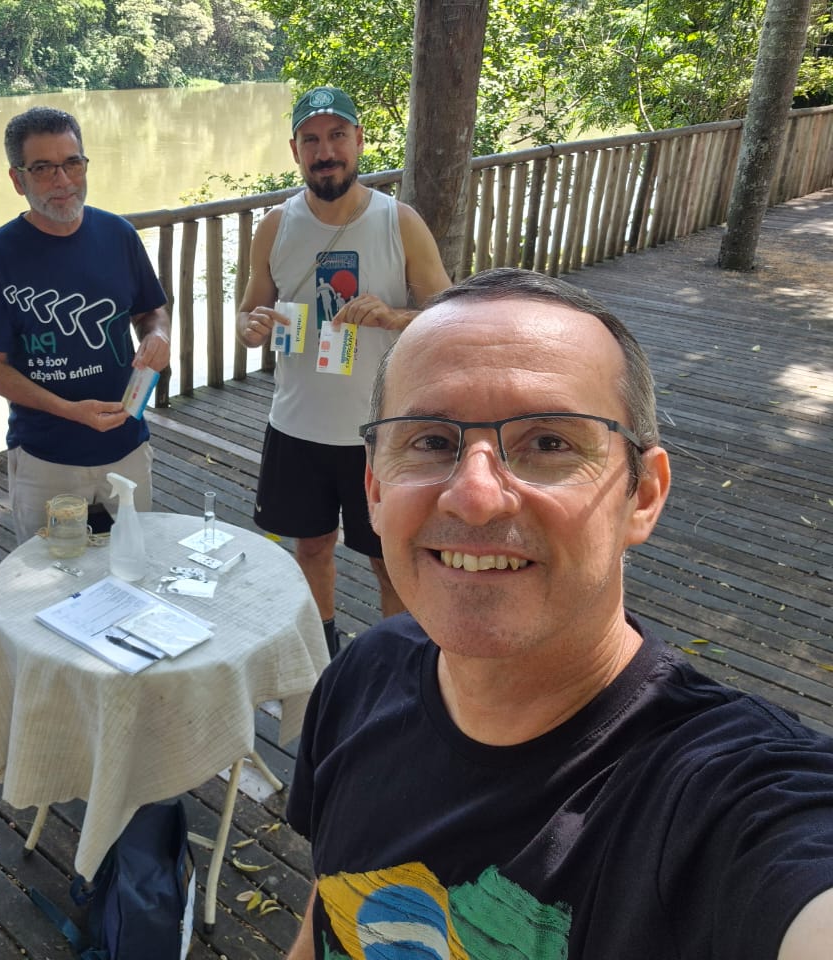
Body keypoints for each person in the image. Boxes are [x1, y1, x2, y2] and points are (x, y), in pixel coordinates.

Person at [285, 267, 833, 958]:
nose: (475, 498)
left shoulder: (724, 800)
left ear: (643, 495)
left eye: (549, 443)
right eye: (430, 441)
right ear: (373, 489)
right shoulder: (360, 676)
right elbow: (331, 903)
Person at [235, 86, 451, 657]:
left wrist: (394, 316)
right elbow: (248, 311)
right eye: (311, 140)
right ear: (295, 150)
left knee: (389, 561)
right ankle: (322, 657)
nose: (324, 151)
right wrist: (251, 327)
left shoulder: (398, 221)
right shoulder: (274, 226)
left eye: (336, 136)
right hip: (298, 424)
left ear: (358, 141)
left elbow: (449, 315)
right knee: (310, 550)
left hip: (381, 432)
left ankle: (395, 663)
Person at [0, 107, 171, 543]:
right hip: (46, 457)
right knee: (50, 576)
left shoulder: (118, 234)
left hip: (128, 446)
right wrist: (69, 411)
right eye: (42, 168)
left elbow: (150, 311)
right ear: (17, 179)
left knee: (135, 562)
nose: (62, 180)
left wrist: (158, 334)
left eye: (72, 163)